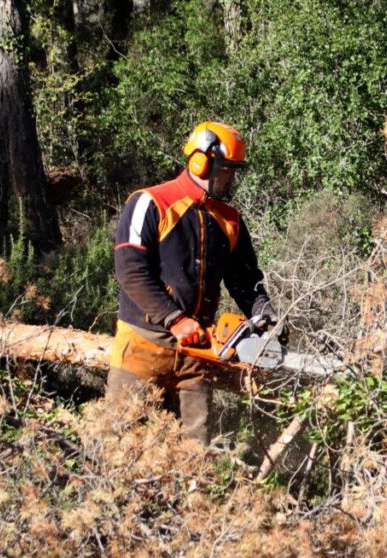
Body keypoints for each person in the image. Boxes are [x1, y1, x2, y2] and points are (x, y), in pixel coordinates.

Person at [106, 120, 276, 444]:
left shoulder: (229, 220)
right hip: (143, 347)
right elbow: (130, 270)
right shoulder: (150, 202)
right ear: (202, 161)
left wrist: (264, 317)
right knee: (120, 443)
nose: (232, 177)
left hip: (196, 355)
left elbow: (245, 280)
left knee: (195, 452)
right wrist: (175, 318)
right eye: (228, 169)